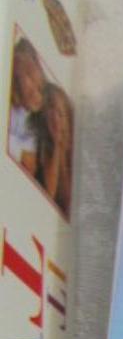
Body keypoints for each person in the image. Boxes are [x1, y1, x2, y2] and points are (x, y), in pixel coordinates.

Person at [35, 81, 73, 217]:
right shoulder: (37, 147)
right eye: (51, 109)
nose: (56, 118)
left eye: (60, 113)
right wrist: (56, 146)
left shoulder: (70, 154)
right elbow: (47, 195)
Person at [8, 36, 44, 176]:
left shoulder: (29, 119)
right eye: (28, 75)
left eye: (39, 87)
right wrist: (20, 152)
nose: (35, 91)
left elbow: (30, 163)